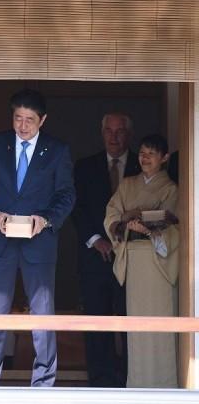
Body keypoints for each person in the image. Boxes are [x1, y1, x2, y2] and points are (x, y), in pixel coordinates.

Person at [0, 88, 75, 387]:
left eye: (30, 119)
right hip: (0, 241)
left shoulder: (57, 150)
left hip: (39, 242)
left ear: (42, 120)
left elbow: (66, 195)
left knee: (42, 312)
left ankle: (44, 380)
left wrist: (45, 220)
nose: (23, 125)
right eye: (18, 118)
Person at [104, 134, 178, 388]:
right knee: (138, 328)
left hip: (158, 263)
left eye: (152, 154)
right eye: (142, 153)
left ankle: (165, 385)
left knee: (160, 325)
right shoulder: (127, 184)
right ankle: (138, 385)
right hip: (134, 259)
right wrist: (124, 221)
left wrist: (147, 229)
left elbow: (175, 228)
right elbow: (111, 214)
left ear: (165, 158)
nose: (145, 158)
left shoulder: (171, 189)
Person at [71, 112, 140, 387]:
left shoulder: (142, 163)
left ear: (129, 134)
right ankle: (99, 381)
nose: (114, 136)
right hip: (94, 257)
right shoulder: (85, 167)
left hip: (133, 258)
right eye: (109, 131)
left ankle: (129, 379)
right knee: (97, 320)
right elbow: (77, 209)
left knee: (129, 319)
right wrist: (95, 238)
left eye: (120, 131)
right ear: (102, 134)